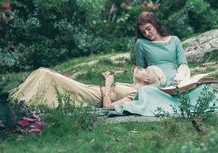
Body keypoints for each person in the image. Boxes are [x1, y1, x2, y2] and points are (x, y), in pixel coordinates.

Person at [112, 12, 218, 116]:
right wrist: (138, 86)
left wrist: (180, 78)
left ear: (155, 25)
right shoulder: (141, 43)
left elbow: (183, 64)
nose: (147, 33)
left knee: (204, 89)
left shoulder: (174, 40)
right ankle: (171, 105)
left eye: (149, 28)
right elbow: (140, 69)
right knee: (145, 92)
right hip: (157, 84)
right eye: (143, 32)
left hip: (177, 82)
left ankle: (173, 103)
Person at [9, 65, 166, 109]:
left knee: (45, 73)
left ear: (147, 79)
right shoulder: (131, 86)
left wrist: (108, 84)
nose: (141, 68)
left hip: (89, 96)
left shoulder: (135, 94)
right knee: (43, 72)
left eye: (146, 70)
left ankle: (17, 101)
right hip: (89, 88)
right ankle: (15, 97)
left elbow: (107, 106)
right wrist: (107, 80)